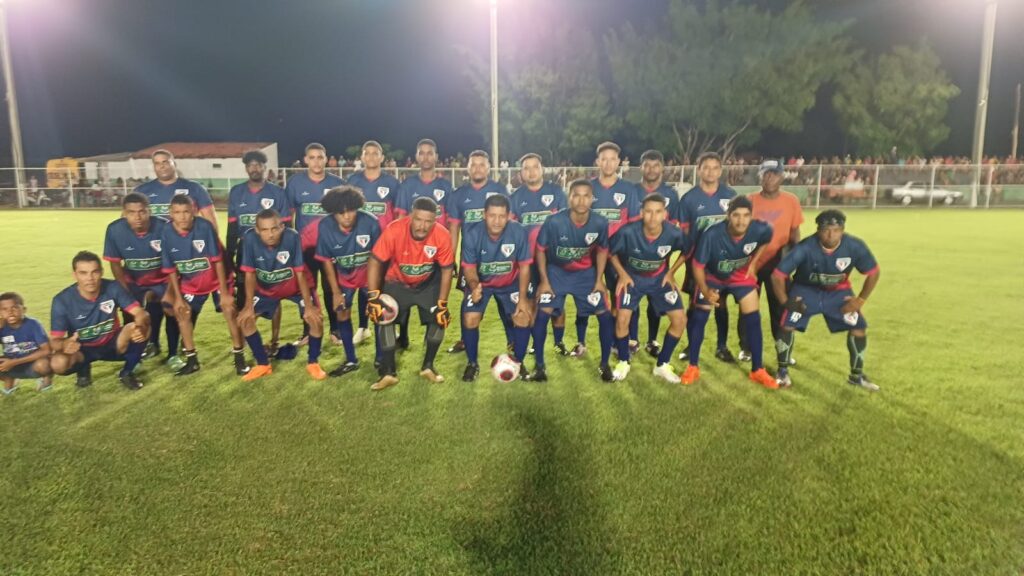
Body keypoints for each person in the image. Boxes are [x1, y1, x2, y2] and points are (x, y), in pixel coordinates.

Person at [771, 210, 881, 390]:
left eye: (836, 230)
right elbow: (777, 275)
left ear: (842, 230)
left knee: (859, 328)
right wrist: (785, 302)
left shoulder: (854, 246)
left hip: (838, 293)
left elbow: (874, 272)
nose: (831, 235)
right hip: (805, 290)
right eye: (826, 230)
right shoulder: (805, 247)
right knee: (787, 325)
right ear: (818, 230)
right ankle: (782, 371)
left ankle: (857, 376)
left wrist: (860, 300)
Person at [683, 196, 777, 389]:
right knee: (699, 317)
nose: (741, 221)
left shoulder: (761, 229)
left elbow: (766, 239)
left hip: (740, 276)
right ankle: (693, 366)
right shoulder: (712, 234)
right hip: (712, 277)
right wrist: (705, 290)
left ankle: (757, 369)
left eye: (746, 215)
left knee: (753, 318)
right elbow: (697, 266)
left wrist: (753, 264)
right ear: (728, 215)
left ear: (751, 216)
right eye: (736, 215)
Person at [526, 179, 615, 382]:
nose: (581, 200)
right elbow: (540, 250)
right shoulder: (554, 221)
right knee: (542, 315)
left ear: (592, 199)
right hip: (557, 272)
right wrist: (544, 281)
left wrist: (599, 280)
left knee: (604, 316)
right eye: (576, 195)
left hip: (585, 275)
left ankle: (604, 365)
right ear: (569, 198)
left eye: (586, 196)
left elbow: (603, 250)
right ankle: (539, 367)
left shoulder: (600, 222)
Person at [366, 196, 454, 391]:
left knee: (440, 319)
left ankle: (428, 367)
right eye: (418, 219)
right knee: (383, 316)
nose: (422, 226)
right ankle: (388, 373)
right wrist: (373, 297)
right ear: (411, 216)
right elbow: (375, 261)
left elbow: (447, 270)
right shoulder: (394, 230)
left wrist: (442, 303)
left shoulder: (442, 235)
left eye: (428, 221)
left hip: (428, 284)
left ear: (435, 220)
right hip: (397, 282)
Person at [160, 194, 247, 376]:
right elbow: (170, 268)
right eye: (177, 212)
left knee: (230, 310)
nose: (182, 216)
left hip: (216, 279)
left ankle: (239, 356)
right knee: (182, 314)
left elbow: (217, 260)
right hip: (190, 282)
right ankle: (192, 360)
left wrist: (224, 293)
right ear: (171, 213)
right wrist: (178, 298)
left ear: (193, 211)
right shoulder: (166, 232)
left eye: (186, 212)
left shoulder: (204, 226)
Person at [608, 194, 689, 383]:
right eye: (649, 212)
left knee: (679, 319)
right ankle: (623, 361)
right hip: (633, 280)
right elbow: (610, 253)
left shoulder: (674, 233)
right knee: (622, 319)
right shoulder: (628, 232)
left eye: (658, 212)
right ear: (642, 213)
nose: (653, 217)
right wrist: (622, 274)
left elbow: (687, 251)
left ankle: (662, 364)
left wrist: (671, 272)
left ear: (665, 214)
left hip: (660, 280)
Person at [237, 209, 327, 381]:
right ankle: (263, 364)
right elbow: (249, 273)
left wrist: (309, 306)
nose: (270, 234)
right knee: (245, 320)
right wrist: (248, 306)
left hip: (296, 286)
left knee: (315, 319)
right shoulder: (249, 238)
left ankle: (313, 363)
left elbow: (300, 273)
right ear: (257, 230)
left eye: (274, 229)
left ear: (282, 227)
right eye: (264, 230)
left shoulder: (292, 237)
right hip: (266, 288)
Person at [49, 251, 150, 390]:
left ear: (101, 272)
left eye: (94, 272)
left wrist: (139, 327)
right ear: (75, 275)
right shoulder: (62, 300)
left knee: (144, 325)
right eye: (83, 273)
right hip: (82, 349)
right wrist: (65, 343)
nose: (90, 278)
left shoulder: (113, 287)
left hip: (111, 343)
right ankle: (83, 370)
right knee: (57, 363)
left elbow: (140, 313)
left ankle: (127, 372)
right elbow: (54, 341)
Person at [458, 194, 533, 381]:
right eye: (492, 215)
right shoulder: (472, 233)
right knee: (470, 318)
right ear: (484, 215)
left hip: (510, 283)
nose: (497, 221)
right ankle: (472, 364)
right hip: (482, 283)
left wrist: (523, 298)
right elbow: (469, 269)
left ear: (509, 216)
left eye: (501, 216)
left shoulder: (518, 231)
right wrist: (474, 287)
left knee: (523, 316)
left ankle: (518, 362)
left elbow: (525, 267)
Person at [102, 193, 181, 369]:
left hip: (163, 279)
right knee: (131, 314)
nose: (137, 217)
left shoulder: (165, 227)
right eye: (131, 212)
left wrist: (171, 291)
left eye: (142, 212)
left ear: (149, 211)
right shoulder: (114, 230)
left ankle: (173, 355)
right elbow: (115, 264)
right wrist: (124, 293)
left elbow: (175, 260)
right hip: (133, 281)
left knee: (172, 309)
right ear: (124, 213)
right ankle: (135, 357)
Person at [446, 150, 513, 355]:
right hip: (472, 259)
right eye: (473, 164)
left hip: (498, 256)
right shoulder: (458, 194)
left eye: (481, 164)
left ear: (488, 168)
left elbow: (509, 223)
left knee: (504, 300)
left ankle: (512, 340)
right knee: (469, 297)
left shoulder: (499, 190)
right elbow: (454, 228)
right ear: (467, 168)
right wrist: (451, 257)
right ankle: (465, 339)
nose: (477, 168)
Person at [576, 141, 639, 358]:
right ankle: (580, 342)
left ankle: (616, 341)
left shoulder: (628, 189)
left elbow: (633, 225)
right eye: (604, 159)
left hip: (619, 255)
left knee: (618, 296)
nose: (609, 163)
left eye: (613, 159)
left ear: (619, 162)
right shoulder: (588, 188)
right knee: (586, 296)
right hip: (590, 254)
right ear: (598, 162)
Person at [673, 151, 737, 362]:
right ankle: (692, 345)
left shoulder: (730, 195)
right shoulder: (689, 199)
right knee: (695, 304)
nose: (710, 172)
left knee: (721, 303)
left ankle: (722, 346)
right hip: (697, 261)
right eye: (706, 167)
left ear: (720, 171)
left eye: (714, 168)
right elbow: (685, 233)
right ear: (699, 170)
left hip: (724, 261)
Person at [226, 150, 291, 355]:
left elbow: (287, 226)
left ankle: (274, 340)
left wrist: (284, 253)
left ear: (264, 167)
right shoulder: (236, 192)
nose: (254, 168)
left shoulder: (277, 193)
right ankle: (246, 339)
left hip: (272, 254)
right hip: (245, 254)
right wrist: (229, 256)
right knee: (244, 297)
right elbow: (232, 227)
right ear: (246, 168)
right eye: (250, 165)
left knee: (274, 295)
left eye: (258, 165)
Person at [739, 159, 804, 363]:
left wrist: (797, 259)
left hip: (779, 262)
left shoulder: (791, 201)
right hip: (752, 262)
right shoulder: (749, 200)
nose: (769, 178)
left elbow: (795, 232)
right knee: (748, 307)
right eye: (766, 174)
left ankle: (783, 350)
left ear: (782, 176)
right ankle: (746, 348)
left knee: (781, 308)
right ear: (760, 176)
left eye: (774, 174)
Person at [392, 139, 453, 351]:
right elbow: (400, 218)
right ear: (416, 157)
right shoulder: (407, 185)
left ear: (436, 157)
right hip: (409, 251)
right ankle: (403, 336)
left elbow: (451, 221)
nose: (426, 157)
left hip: (437, 251)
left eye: (430, 153)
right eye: (422, 153)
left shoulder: (445, 186)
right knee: (404, 292)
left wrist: (449, 251)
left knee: (433, 295)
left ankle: (430, 339)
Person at [315, 186, 382, 377]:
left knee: (377, 313)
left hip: (369, 275)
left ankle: (381, 357)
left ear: (357, 207)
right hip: (344, 277)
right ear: (332, 212)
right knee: (342, 313)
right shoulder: (324, 226)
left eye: (350, 210)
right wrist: (336, 292)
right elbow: (326, 260)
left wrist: (374, 291)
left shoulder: (371, 222)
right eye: (340, 212)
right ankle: (351, 360)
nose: (346, 216)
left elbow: (378, 258)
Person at [508, 153, 570, 355]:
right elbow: (512, 230)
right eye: (526, 168)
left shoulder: (556, 192)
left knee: (557, 305)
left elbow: (566, 224)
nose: (531, 172)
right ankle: (536, 343)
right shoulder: (516, 198)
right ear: (521, 173)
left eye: (535, 167)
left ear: (542, 169)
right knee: (532, 302)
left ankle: (559, 342)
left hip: (553, 260)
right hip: (527, 261)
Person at [285, 143, 346, 340]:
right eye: (312, 158)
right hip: (305, 248)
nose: (316, 162)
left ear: (326, 159)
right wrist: (290, 244)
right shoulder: (295, 183)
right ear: (306, 160)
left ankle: (335, 329)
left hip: (331, 248)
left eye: (320, 157)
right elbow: (288, 217)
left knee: (331, 288)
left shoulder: (338, 184)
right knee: (306, 289)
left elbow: (345, 217)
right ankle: (308, 329)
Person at [346, 141, 401, 346]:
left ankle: (390, 323)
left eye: (374, 153)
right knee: (363, 285)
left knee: (387, 285)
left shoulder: (392, 183)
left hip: (385, 245)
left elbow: (398, 214)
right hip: (360, 244)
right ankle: (363, 327)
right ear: (361, 157)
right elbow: (346, 212)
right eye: (366, 153)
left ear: (382, 157)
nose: (370, 156)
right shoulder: (353, 181)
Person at [634, 149, 679, 358]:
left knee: (655, 300)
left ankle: (652, 340)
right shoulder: (632, 191)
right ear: (641, 167)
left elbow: (673, 226)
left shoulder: (671, 194)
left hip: (660, 258)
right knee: (632, 299)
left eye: (655, 165)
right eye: (647, 165)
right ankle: (632, 340)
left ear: (662, 168)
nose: (651, 169)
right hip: (634, 255)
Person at [0, 292, 53, 394]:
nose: (10, 312)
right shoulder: (2, 327)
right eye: (4, 309)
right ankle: (9, 381)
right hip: (10, 363)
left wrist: (14, 362)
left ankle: (45, 380)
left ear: (24, 310)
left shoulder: (33, 324)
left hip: (32, 363)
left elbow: (46, 350)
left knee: (44, 364)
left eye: (14, 308)